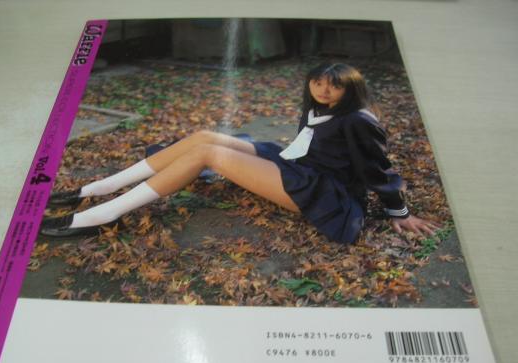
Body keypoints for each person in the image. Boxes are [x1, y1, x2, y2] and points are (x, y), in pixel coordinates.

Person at [40, 62, 437, 243]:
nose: (323, 90)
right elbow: (306, 144)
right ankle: (95, 189)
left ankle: (100, 216)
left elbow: (377, 169)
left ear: (350, 89)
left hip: (324, 192)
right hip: (296, 165)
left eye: (333, 86)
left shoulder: (358, 120)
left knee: (208, 155)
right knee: (203, 137)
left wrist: (399, 211)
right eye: (317, 82)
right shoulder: (318, 106)